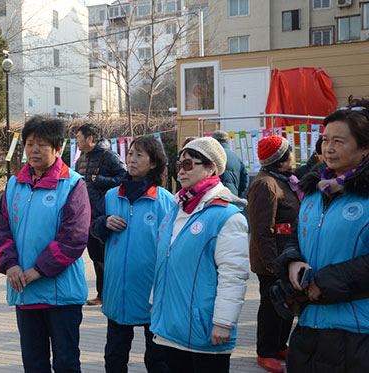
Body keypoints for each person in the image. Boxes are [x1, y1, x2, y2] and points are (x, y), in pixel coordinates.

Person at [274, 99, 369, 372]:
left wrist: (327, 281)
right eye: (326, 139)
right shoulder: (315, 191)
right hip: (309, 325)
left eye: (339, 141)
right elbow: (296, 234)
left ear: (365, 149)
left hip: (357, 331)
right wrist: (292, 262)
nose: (328, 148)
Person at [0, 116, 90, 372]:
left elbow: (74, 237)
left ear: (58, 149)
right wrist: (10, 265)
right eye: (29, 143)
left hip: (61, 296)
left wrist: (39, 270)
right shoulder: (15, 183)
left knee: (66, 362)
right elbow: (2, 229)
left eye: (42, 145)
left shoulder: (72, 184)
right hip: (25, 293)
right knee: (34, 363)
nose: (34, 150)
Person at [150, 137, 249, 373]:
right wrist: (156, 302)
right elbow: (164, 261)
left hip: (205, 330)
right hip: (170, 326)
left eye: (188, 164)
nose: (180, 171)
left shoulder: (227, 216)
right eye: (178, 164)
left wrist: (224, 322)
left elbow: (233, 275)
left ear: (211, 167)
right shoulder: (177, 208)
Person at [91, 137, 174, 373]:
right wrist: (104, 223)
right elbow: (93, 227)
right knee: (115, 356)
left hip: (152, 295)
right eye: (130, 154)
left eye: (139, 155)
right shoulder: (111, 196)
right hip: (118, 292)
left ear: (154, 163)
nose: (132, 159)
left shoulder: (165, 201)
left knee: (157, 359)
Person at [247, 136, 299, 373]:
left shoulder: (286, 180)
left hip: (287, 256)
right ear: (280, 161)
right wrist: (273, 265)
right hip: (272, 261)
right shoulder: (265, 184)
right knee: (271, 306)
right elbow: (261, 230)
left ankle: (279, 344)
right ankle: (265, 351)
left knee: (287, 304)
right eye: (289, 153)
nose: (293, 157)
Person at [75, 123, 127, 306]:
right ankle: (102, 294)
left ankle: (113, 294)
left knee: (108, 257)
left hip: (105, 216)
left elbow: (126, 178)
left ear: (91, 138)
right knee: (96, 257)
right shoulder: (81, 159)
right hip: (86, 215)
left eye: (79, 138)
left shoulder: (110, 157)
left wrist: (103, 180)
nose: (77, 142)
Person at [212, 130, 249, 198]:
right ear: (227, 141)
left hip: (215, 197)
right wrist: (237, 194)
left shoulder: (210, 156)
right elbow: (245, 180)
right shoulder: (236, 157)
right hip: (233, 197)